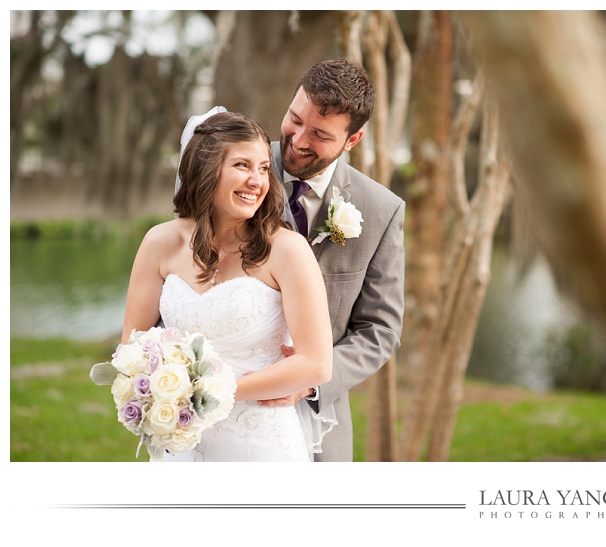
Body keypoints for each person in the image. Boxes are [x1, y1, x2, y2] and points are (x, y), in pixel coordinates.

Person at [122, 111, 334, 462]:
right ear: (206, 171)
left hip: (262, 444)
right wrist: (161, 394)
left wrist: (205, 393)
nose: (257, 181)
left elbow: (315, 363)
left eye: (264, 168)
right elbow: (132, 347)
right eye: (242, 165)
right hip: (179, 440)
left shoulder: (287, 249)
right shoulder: (160, 242)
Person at [263, 59, 406, 462]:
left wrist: (310, 381)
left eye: (320, 134)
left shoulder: (382, 210)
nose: (298, 139)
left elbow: (379, 329)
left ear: (352, 140)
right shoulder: (233, 175)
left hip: (320, 430)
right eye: (295, 119)